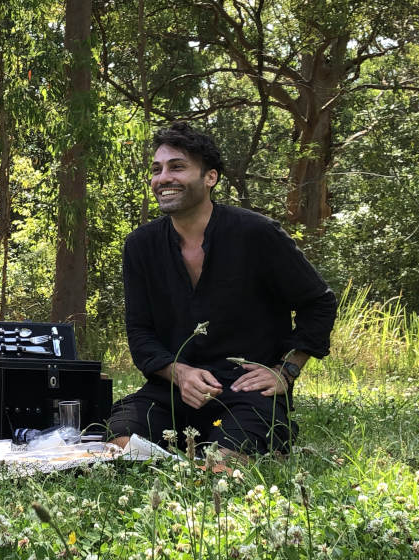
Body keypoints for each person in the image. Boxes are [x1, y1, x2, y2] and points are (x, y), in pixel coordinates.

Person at [107, 122, 337, 459]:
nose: (162, 178)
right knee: (118, 449)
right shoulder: (141, 246)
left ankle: (239, 449)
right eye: (157, 169)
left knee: (224, 466)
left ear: (210, 177)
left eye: (177, 166)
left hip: (245, 391)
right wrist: (180, 373)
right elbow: (140, 332)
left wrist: (285, 370)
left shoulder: (256, 234)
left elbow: (319, 303)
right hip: (170, 391)